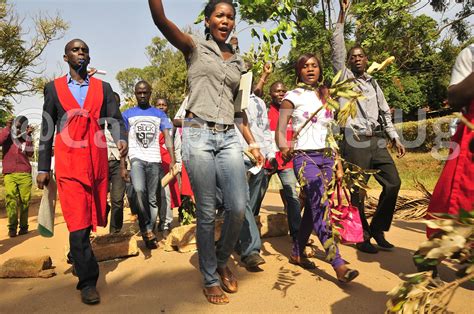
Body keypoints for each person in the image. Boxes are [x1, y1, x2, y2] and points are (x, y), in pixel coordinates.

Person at [149, 0, 264, 305]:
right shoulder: (194, 47)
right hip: (197, 134)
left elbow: (239, 111)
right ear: (208, 19)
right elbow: (162, 21)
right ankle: (210, 276)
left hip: (228, 136)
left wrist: (252, 143)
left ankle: (223, 258)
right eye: (219, 15)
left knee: (238, 207)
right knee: (206, 209)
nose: (225, 20)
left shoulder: (240, 63)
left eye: (230, 17)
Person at [37, 39, 127, 305]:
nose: (81, 53)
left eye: (84, 50)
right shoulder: (53, 89)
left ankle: (79, 256)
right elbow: (46, 130)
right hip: (68, 163)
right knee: (77, 222)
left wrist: (120, 137)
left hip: (97, 161)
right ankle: (88, 281)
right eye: (75, 50)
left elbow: (115, 118)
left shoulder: (103, 88)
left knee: (90, 218)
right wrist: (43, 167)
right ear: (65, 58)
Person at [276, 53, 359, 283]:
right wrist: (283, 146)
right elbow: (280, 129)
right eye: (305, 66)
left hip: (326, 158)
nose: (310, 69)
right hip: (305, 158)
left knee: (314, 208)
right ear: (298, 71)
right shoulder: (292, 96)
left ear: (320, 69)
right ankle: (338, 263)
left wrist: (338, 162)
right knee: (320, 206)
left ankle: (296, 252)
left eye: (314, 65)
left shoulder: (326, 95)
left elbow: (330, 133)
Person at [331, 0, 406, 254]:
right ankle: (361, 234)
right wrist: (343, 13)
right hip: (354, 140)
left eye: (360, 56)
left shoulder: (374, 84)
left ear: (366, 59)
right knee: (357, 191)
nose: (357, 59)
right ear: (349, 62)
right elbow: (337, 47)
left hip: (376, 140)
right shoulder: (344, 77)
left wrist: (394, 137)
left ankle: (377, 229)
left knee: (393, 183)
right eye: (353, 57)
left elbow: (385, 111)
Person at [426, 44, 474, 237]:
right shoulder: (470, 54)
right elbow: (454, 98)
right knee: (456, 201)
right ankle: (432, 254)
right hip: (470, 140)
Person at [122, 81, 175, 249]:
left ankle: (149, 232)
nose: (142, 95)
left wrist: (173, 159)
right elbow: (123, 140)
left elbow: (167, 136)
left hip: (154, 160)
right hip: (136, 159)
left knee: (153, 199)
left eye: (145, 92)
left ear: (150, 93)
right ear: (135, 94)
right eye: (139, 92)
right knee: (139, 190)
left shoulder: (159, 114)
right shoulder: (127, 114)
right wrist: (123, 164)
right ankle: (145, 227)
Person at [256, 78, 303, 242]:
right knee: (257, 197)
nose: (281, 94)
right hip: (267, 162)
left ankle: (297, 234)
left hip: (287, 161)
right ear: (270, 94)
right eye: (277, 91)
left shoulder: (292, 112)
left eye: (283, 91)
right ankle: (249, 235)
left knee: (292, 197)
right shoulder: (263, 111)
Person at [0, 116, 34, 237]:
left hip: (24, 173)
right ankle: (12, 228)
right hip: (9, 173)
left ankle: (24, 227)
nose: (20, 128)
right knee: (10, 200)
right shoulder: (7, 135)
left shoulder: (26, 137)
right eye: (17, 125)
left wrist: (29, 136)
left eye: (22, 126)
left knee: (24, 201)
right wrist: (8, 127)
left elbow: (30, 153)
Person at [154, 97, 180, 237]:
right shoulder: (151, 122)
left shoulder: (172, 124)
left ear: (167, 107)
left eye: (164, 105)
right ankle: (153, 222)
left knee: (166, 193)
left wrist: (176, 162)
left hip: (167, 161)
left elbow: (177, 145)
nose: (161, 107)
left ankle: (166, 222)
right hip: (152, 160)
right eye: (158, 105)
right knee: (152, 194)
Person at [106, 92, 127, 233]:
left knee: (118, 200)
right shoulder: (98, 121)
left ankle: (115, 232)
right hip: (101, 163)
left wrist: (124, 166)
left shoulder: (123, 123)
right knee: (99, 200)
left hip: (118, 163)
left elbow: (126, 147)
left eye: (116, 104)